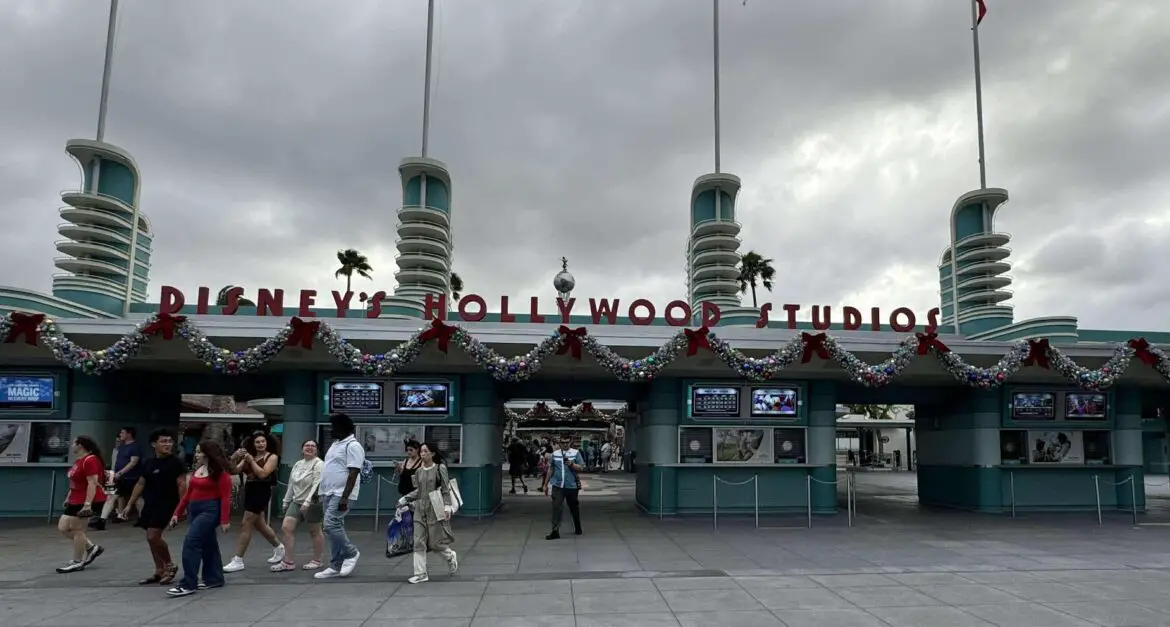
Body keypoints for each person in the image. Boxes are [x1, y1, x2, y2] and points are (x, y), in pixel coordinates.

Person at [167, 441, 232, 597]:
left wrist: (224, 520)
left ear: (207, 454)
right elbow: (188, 495)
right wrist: (177, 513)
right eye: (196, 452)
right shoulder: (198, 470)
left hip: (210, 511)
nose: (196, 455)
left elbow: (225, 498)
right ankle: (214, 578)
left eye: (198, 452)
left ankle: (188, 583)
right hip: (194, 509)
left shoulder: (221, 474)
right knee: (208, 544)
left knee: (192, 541)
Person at [122, 429, 187, 585]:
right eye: (163, 441)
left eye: (170, 441)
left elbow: (182, 484)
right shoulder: (148, 462)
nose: (168, 444)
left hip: (167, 504)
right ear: (154, 444)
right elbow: (141, 483)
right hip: (150, 503)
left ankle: (170, 565)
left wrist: (182, 507)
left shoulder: (176, 462)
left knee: (153, 536)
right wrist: (130, 504)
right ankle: (159, 570)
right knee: (150, 538)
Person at [223, 431, 284, 573]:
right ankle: (279, 547)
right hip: (249, 490)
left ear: (267, 442)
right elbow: (233, 471)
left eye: (263, 441)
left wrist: (250, 461)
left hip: (261, 491)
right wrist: (234, 457)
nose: (261, 444)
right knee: (260, 524)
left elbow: (263, 473)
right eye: (257, 442)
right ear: (253, 444)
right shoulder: (249, 456)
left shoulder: (272, 457)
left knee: (246, 523)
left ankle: (238, 559)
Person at [397, 442, 457, 584]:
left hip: (435, 508)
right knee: (418, 541)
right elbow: (418, 490)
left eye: (425, 451)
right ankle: (420, 573)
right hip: (419, 508)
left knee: (435, 543)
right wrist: (404, 499)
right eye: (422, 451)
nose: (422, 454)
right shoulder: (418, 471)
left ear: (433, 454)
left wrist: (447, 507)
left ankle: (450, 556)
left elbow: (445, 488)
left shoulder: (439, 468)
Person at [314, 413, 364, 579]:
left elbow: (354, 472)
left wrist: (344, 497)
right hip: (328, 492)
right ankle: (336, 565)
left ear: (342, 429)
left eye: (334, 428)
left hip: (341, 493)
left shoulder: (353, 446)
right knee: (334, 527)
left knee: (330, 524)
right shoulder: (336, 444)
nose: (331, 431)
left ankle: (351, 553)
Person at [56, 436, 107, 573]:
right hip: (75, 498)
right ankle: (91, 548)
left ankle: (77, 562)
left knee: (78, 530)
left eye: (74, 443)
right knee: (63, 527)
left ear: (80, 445)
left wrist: (87, 504)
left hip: (86, 500)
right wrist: (68, 496)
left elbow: (92, 483)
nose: (72, 445)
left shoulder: (91, 460)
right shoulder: (79, 461)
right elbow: (75, 482)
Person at [271, 439, 325, 572]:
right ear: (302, 449)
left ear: (317, 450)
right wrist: (286, 500)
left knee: (315, 531)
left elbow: (317, 484)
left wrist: (308, 502)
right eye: (307, 445)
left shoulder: (319, 464)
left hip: (313, 502)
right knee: (286, 527)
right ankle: (288, 562)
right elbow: (291, 483)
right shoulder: (298, 464)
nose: (310, 448)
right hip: (297, 501)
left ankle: (317, 560)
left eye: (313, 446)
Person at [545, 436, 584, 540]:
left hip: (571, 485)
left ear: (570, 442)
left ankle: (577, 526)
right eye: (563, 443)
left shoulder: (575, 453)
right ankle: (555, 531)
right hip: (558, 486)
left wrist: (572, 464)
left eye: (567, 442)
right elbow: (550, 469)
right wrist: (545, 485)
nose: (565, 444)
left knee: (573, 507)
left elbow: (581, 467)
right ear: (560, 443)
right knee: (556, 507)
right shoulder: (555, 454)